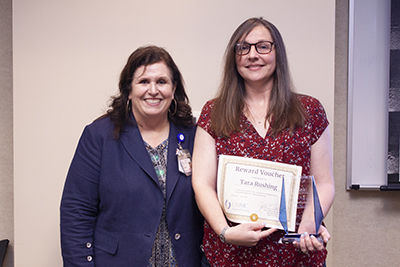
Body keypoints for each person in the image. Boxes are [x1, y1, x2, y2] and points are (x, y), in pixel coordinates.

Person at [192, 17, 335, 267]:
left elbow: (323, 183)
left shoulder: (309, 110)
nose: (252, 55)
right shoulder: (213, 112)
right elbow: (202, 183)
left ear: (277, 52)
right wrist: (225, 232)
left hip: (293, 254)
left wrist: (307, 229)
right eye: (243, 47)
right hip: (230, 254)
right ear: (233, 57)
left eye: (263, 46)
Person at [60, 45, 204, 266]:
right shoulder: (100, 136)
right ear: (128, 90)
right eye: (144, 82)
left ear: (173, 89)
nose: (153, 90)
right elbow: (76, 212)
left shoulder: (195, 135)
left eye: (162, 82)